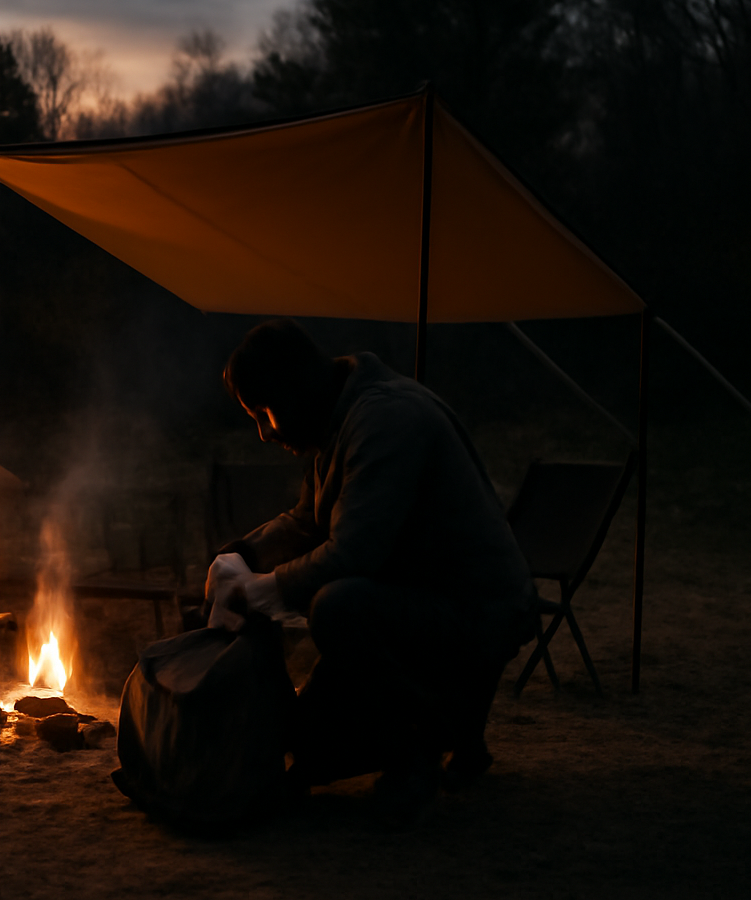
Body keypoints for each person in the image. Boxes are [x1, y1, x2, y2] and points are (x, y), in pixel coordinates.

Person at [204, 318, 536, 825]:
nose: (265, 432)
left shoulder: (386, 419)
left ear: (298, 386)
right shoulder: (342, 420)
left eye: (265, 412)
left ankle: (418, 750)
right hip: (421, 600)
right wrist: (240, 556)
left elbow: (354, 553)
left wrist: (260, 592)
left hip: (477, 610)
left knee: (338, 606)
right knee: (304, 736)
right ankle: (452, 728)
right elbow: (307, 522)